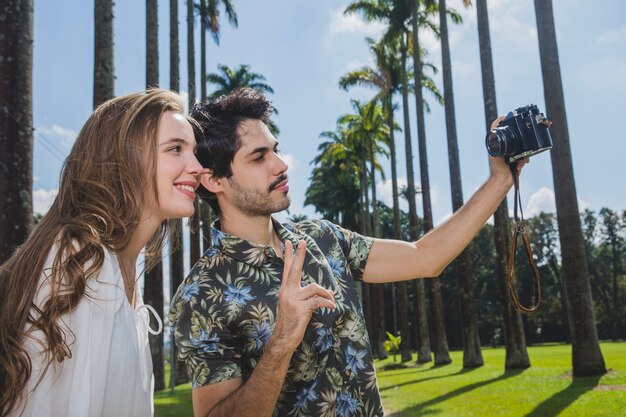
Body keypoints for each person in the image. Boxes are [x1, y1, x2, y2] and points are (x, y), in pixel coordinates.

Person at [169, 88, 526, 417]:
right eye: (259, 157)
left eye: (275, 149)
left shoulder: (322, 238)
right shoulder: (200, 295)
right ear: (214, 180)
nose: (280, 164)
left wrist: (500, 180)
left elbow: (425, 256)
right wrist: (281, 341)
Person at [0, 89, 204, 417]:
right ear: (124, 157)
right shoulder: (80, 263)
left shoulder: (118, 273)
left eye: (193, 152)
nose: (197, 167)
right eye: (175, 149)